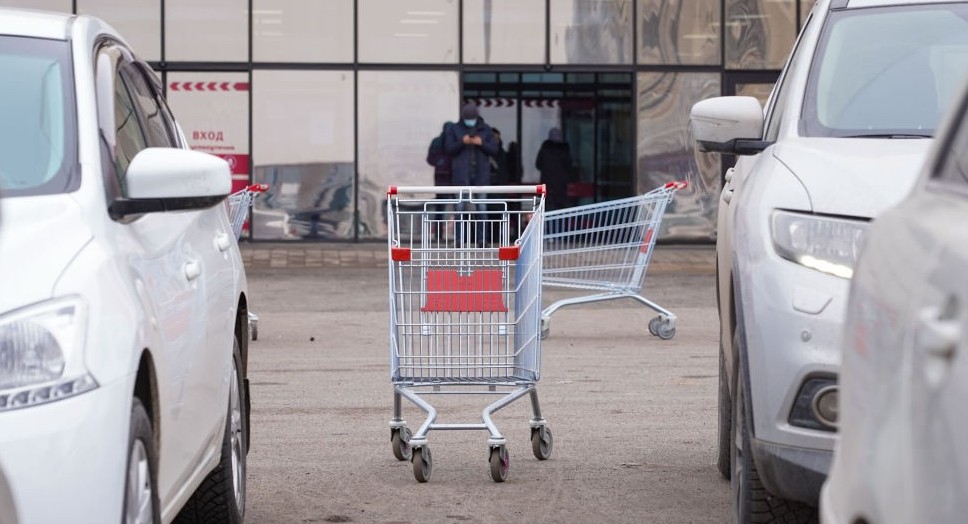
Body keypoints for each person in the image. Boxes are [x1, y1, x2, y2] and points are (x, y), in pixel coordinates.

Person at [444, 102, 499, 245]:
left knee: (482, 208)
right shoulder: (455, 129)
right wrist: (462, 142)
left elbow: (494, 150)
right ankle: (459, 239)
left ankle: (482, 239)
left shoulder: (485, 130)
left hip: (481, 175)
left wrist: (482, 143)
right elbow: (449, 149)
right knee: (460, 208)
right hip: (461, 175)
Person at [425, 122, 454, 239]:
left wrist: (439, 163)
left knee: (440, 208)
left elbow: (429, 159)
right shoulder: (452, 142)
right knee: (457, 207)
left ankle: (438, 235)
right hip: (452, 178)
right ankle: (456, 236)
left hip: (440, 178)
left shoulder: (437, 141)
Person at [535, 127, 574, 211]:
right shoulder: (564, 150)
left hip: (547, 185)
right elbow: (569, 166)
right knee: (560, 213)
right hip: (561, 187)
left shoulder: (545, 149)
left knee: (547, 210)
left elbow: (538, 164)